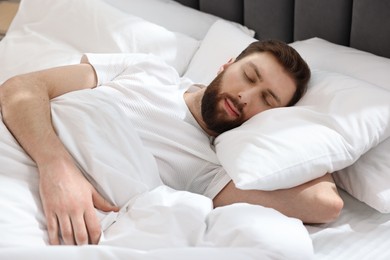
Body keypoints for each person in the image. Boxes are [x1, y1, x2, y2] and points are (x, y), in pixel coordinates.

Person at [0, 40, 343, 246]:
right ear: (227, 64)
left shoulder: (213, 169)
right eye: (249, 76)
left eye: (267, 100)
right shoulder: (148, 70)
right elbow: (22, 88)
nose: (244, 96)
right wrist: (56, 167)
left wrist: (307, 129)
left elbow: (324, 205)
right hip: (22, 147)